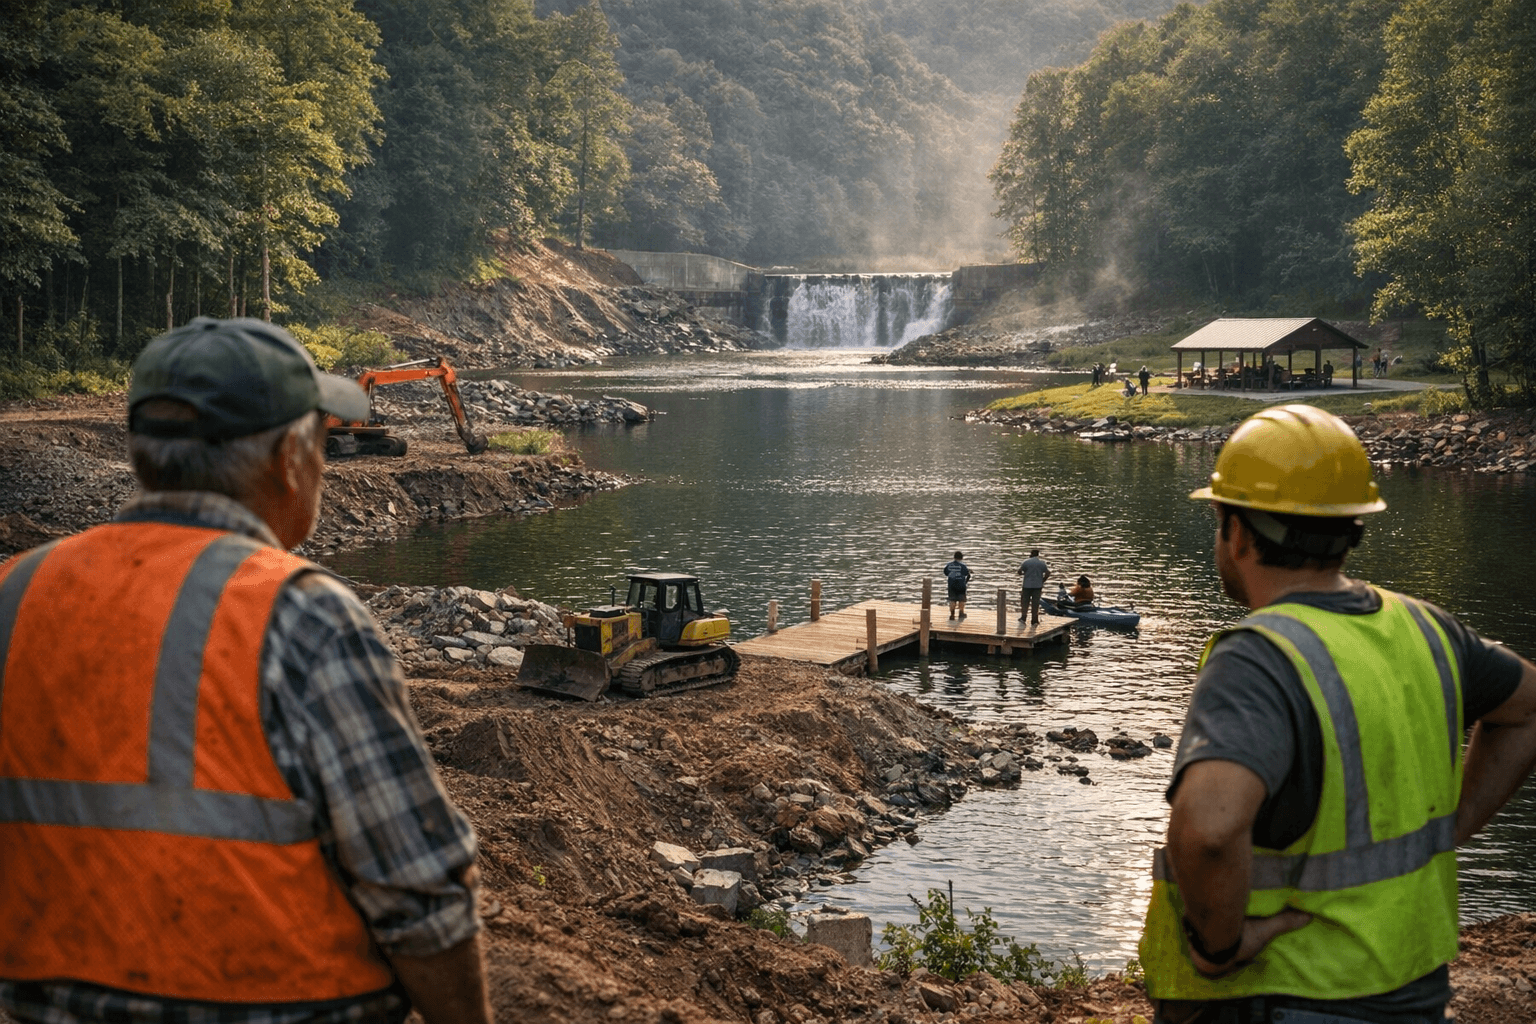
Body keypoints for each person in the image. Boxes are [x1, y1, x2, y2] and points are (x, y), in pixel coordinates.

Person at [0, 318, 495, 1024]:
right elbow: (420, 893)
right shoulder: (306, 618)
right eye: (322, 440)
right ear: (289, 460)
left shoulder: (15, 592)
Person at [1139, 404, 1536, 1024]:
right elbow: (1528, 709)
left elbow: (1210, 831)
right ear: (1351, 527)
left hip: (1282, 993)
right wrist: (1452, 826)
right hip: (1411, 981)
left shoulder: (1258, 658)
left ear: (1238, 533)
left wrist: (1218, 946)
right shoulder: (1428, 629)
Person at [1017, 548, 1050, 625]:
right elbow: (1048, 573)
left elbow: (1019, 571)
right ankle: (1034, 620)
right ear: (1038, 554)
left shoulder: (1026, 562)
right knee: (1035, 603)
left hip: (1027, 585)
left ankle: (1023, 618)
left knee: (1025, 602)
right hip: (1038, 586)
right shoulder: (1042, 563)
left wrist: (1023, 574)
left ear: (1031, 554)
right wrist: (1043, 580)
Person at [943, 550, 972, 619]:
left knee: (952, 599)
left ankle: (952, 615)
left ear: (954, 557)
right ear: (961, 558)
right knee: (962, 599)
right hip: (961, 584)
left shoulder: (948, 565)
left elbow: (946, 573)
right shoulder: (963, 565)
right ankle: (961, 613)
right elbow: (967, 574)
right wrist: (965, 582)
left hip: (951, 584)